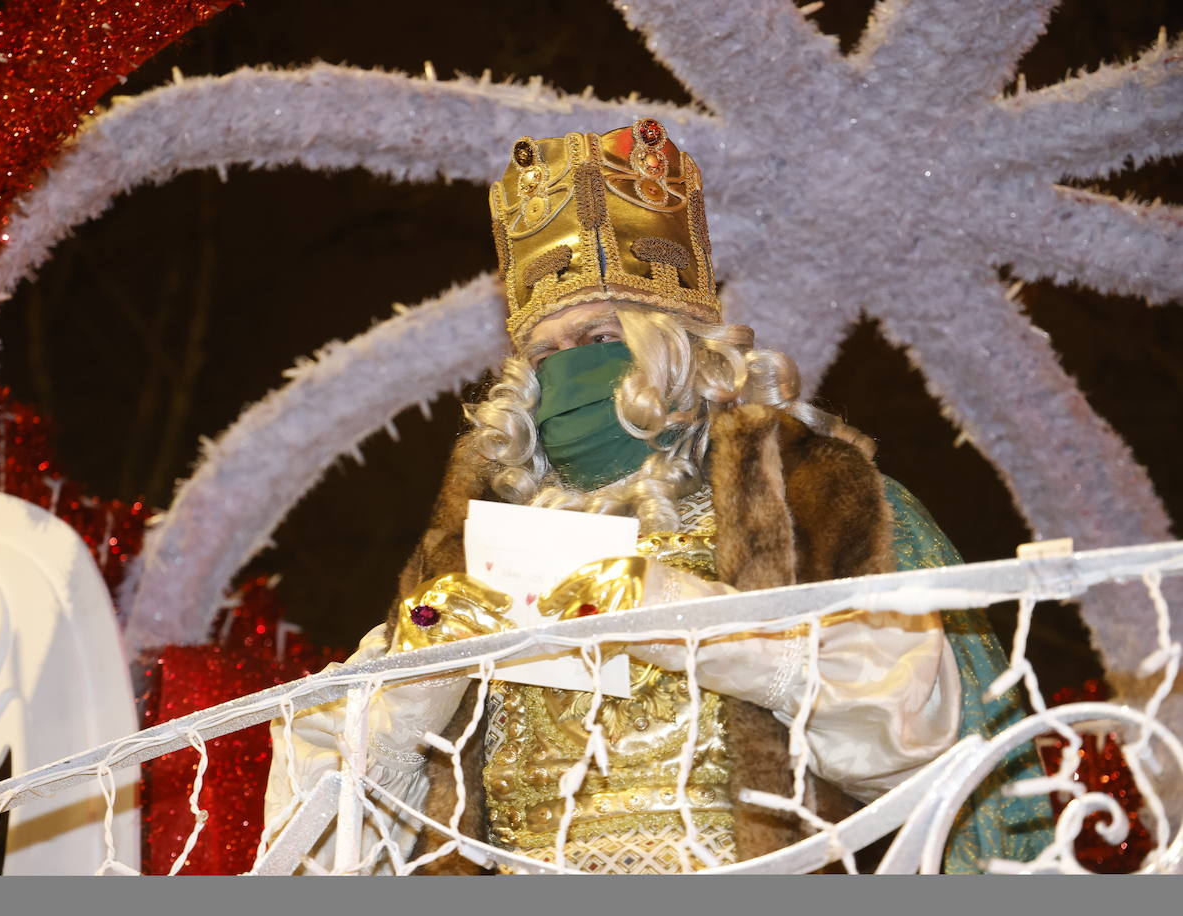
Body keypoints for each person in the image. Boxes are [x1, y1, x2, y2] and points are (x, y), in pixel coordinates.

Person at [264, 121, 1050, 874]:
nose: (567, 372)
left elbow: (912, 730)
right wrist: (422, 670)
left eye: (601, 341)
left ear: (674, 345)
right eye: (548, 353)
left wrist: (676, 613)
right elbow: (318, 832)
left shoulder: (809, 504)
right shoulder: (483, 554)